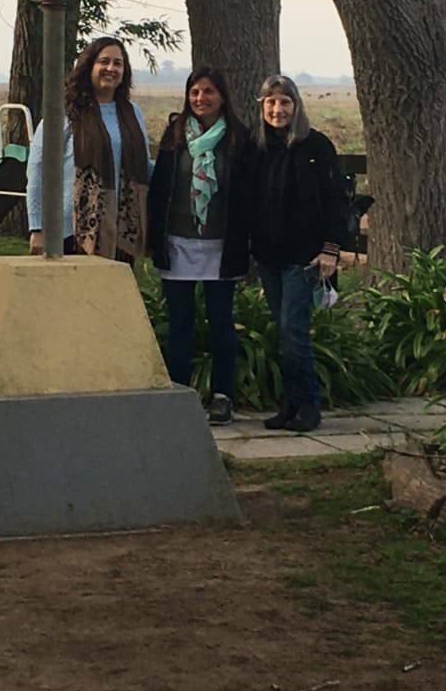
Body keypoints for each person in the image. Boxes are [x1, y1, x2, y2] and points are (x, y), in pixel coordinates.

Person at [147, 67, 253, 427]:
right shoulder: (175, 133)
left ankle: (222, 395)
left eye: (208, 92)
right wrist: (153, 238)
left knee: (221, 321)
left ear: (222, 96)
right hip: (177, 243)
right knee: (180, 322)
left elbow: (247, 195)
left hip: (220, 246)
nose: (200, 98)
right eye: (194, 92)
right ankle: (179, 391)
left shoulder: (238, 138)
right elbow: (161, 186)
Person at [249, 74, 347, 433]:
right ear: (262, 106)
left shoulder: (316, 146)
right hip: (269, 254)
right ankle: (289, 404)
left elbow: (337, 200)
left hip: (305, 257)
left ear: (296, 105)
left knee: (293, 328)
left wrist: (330, 249)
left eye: (284, 102)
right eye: (271, 102)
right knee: (284, 329)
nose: (277, 109)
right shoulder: (256, 147)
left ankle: (308, 404)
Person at [26, 36, 151, 261]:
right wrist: (37, 227)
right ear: (89, 66)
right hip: (71, 230)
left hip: (122, 230)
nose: (111, 68)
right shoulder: (65, 112)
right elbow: (38, 168)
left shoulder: (133, 113)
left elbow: (145, 165)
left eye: (118, 63)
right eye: (104, 61)